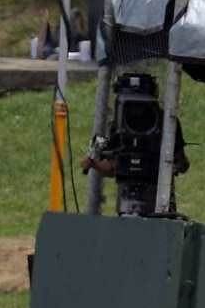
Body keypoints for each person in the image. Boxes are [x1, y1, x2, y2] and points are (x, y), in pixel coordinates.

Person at [81, 72, 189, 216]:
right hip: (126, 196)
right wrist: (93, 163)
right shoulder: (114, 126)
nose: (136, 110)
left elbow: (182, 163)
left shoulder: (167, 123)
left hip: (159, 196)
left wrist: (172, 166)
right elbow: (109, 166)